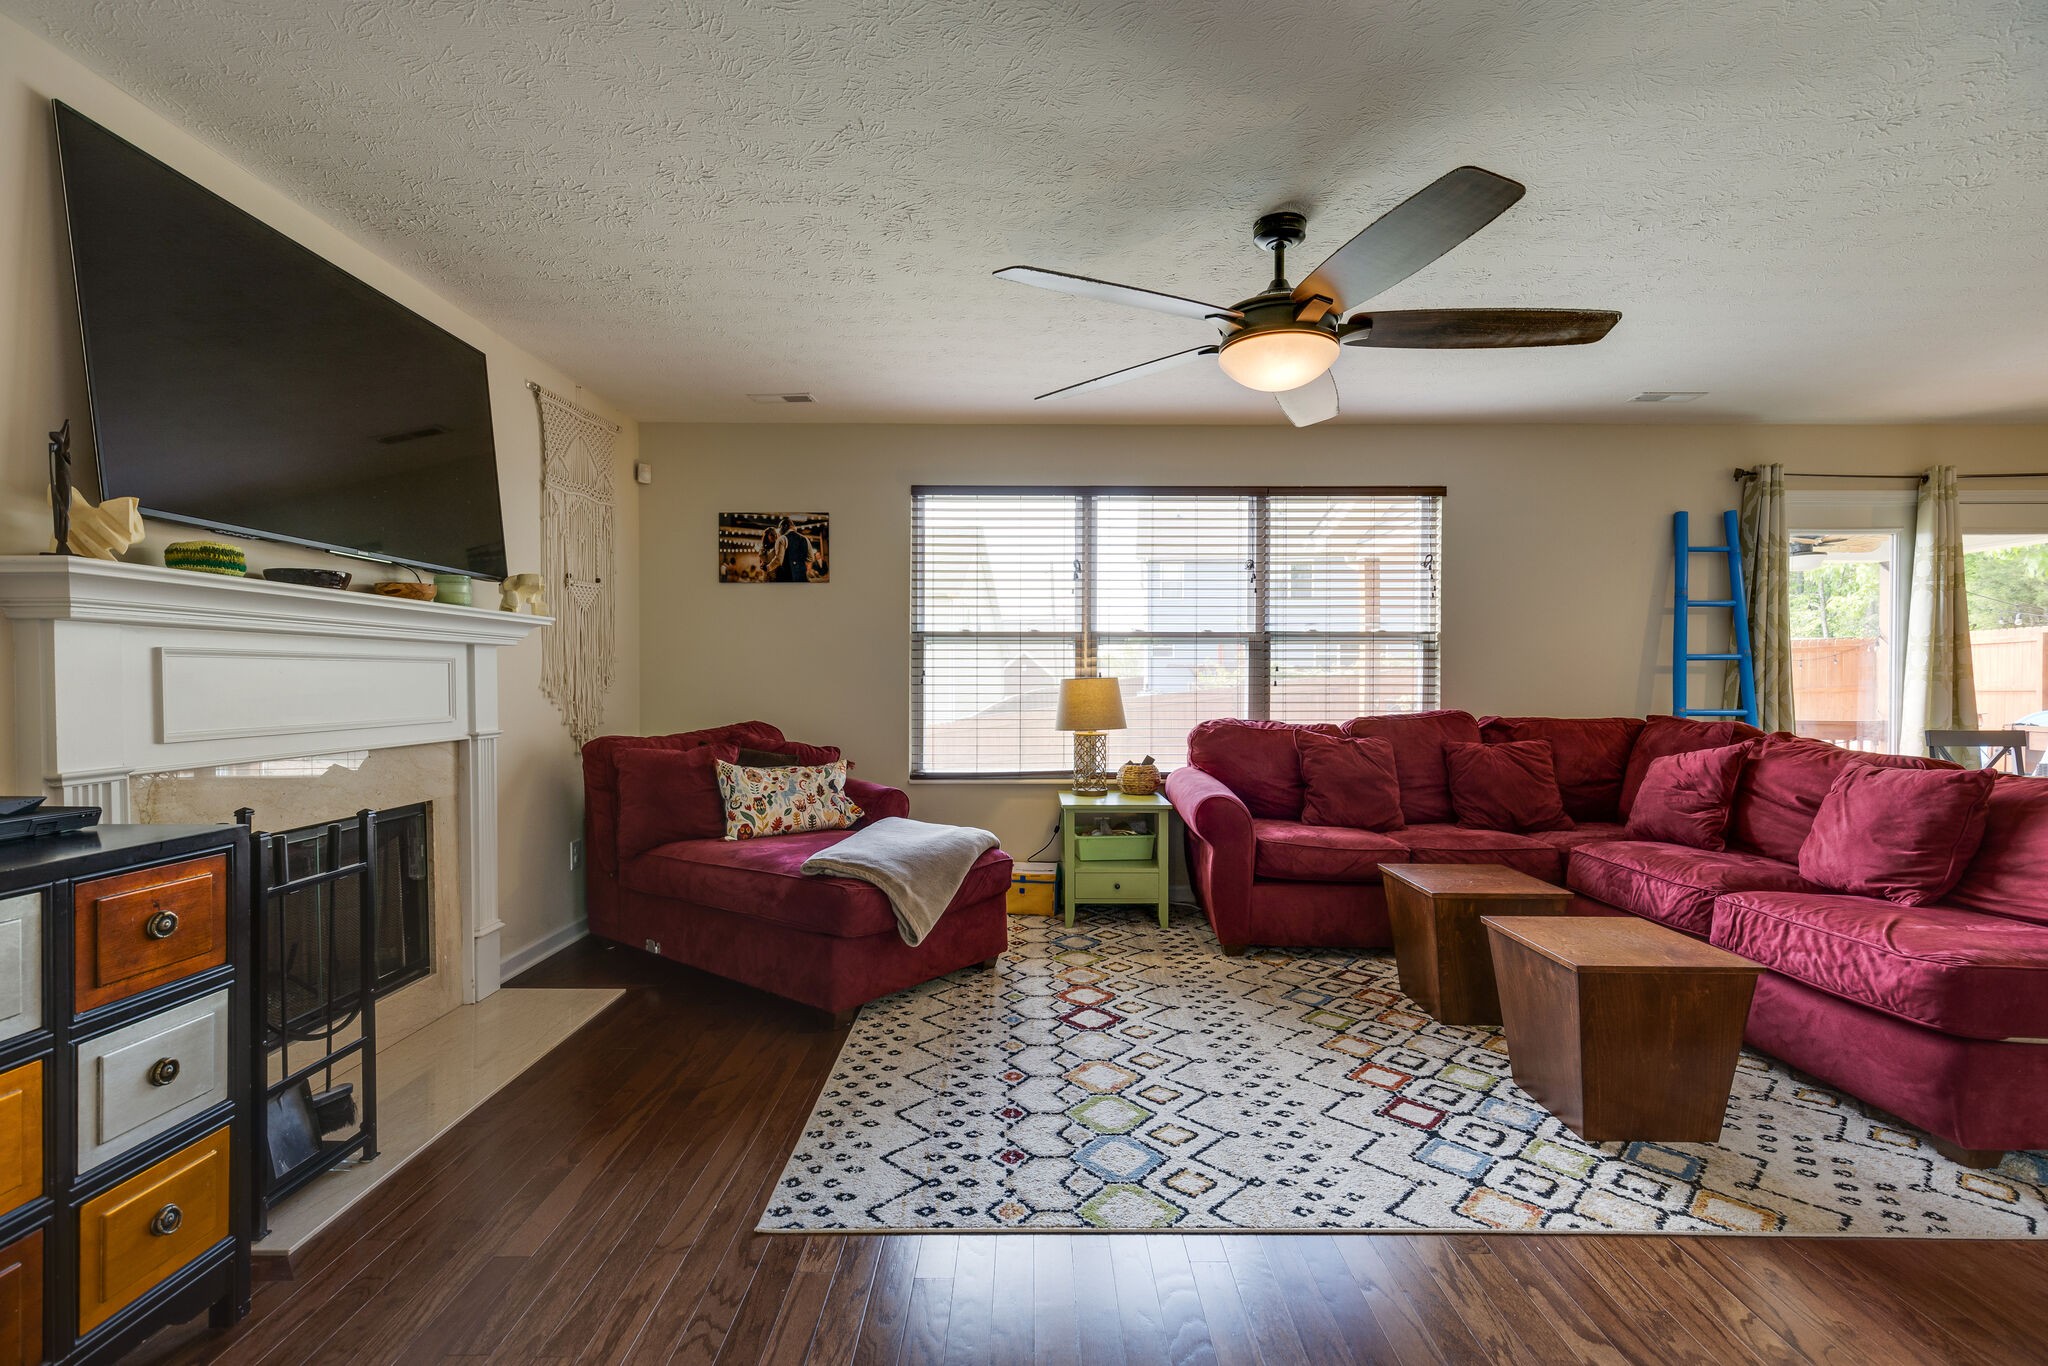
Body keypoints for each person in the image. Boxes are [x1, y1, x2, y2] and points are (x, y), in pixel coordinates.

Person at [774, 516, 813, 583]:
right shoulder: (805, 539)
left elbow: (778, 560)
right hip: (801, 577)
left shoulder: (782, 539)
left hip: (785, 578)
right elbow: (810, 558)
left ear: (785, 526)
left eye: (780, 528)